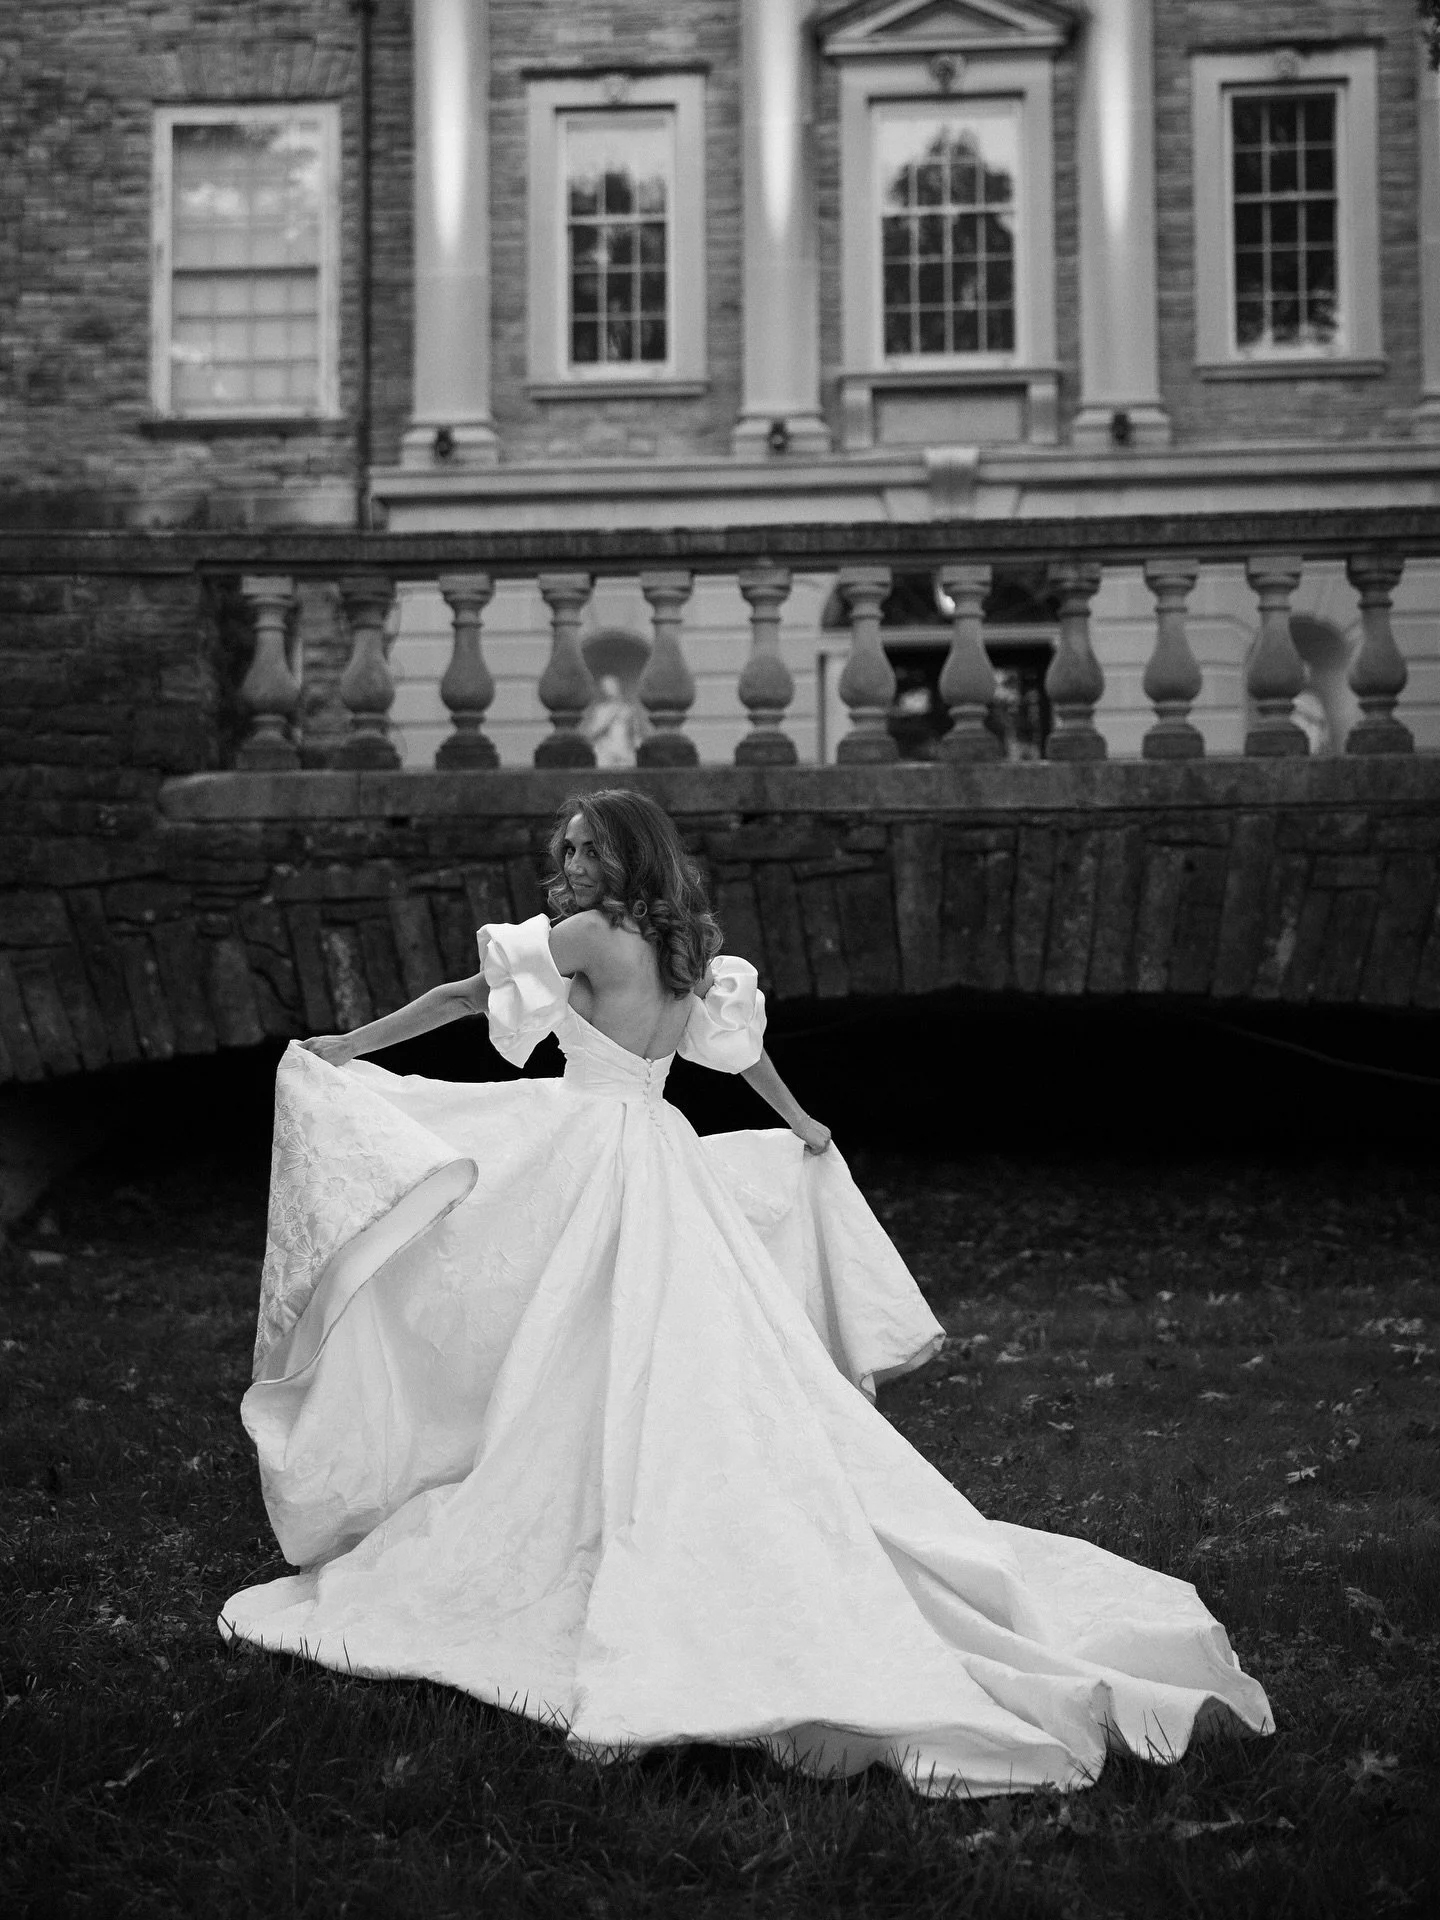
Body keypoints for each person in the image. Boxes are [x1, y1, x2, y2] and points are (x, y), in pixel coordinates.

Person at [220, 789, 1271, 1797]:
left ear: (628, 856)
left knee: (568, 1321)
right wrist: (804, 1121)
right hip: (659, 1155)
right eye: (569, 848)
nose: (569, 865)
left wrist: (348, 1048)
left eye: (588, 848)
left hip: (593, 1148)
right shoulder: (695, 959)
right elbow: (746, 1062)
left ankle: (604, 1522)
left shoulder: (590, 938)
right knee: (629, 1341)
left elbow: (465, 998)